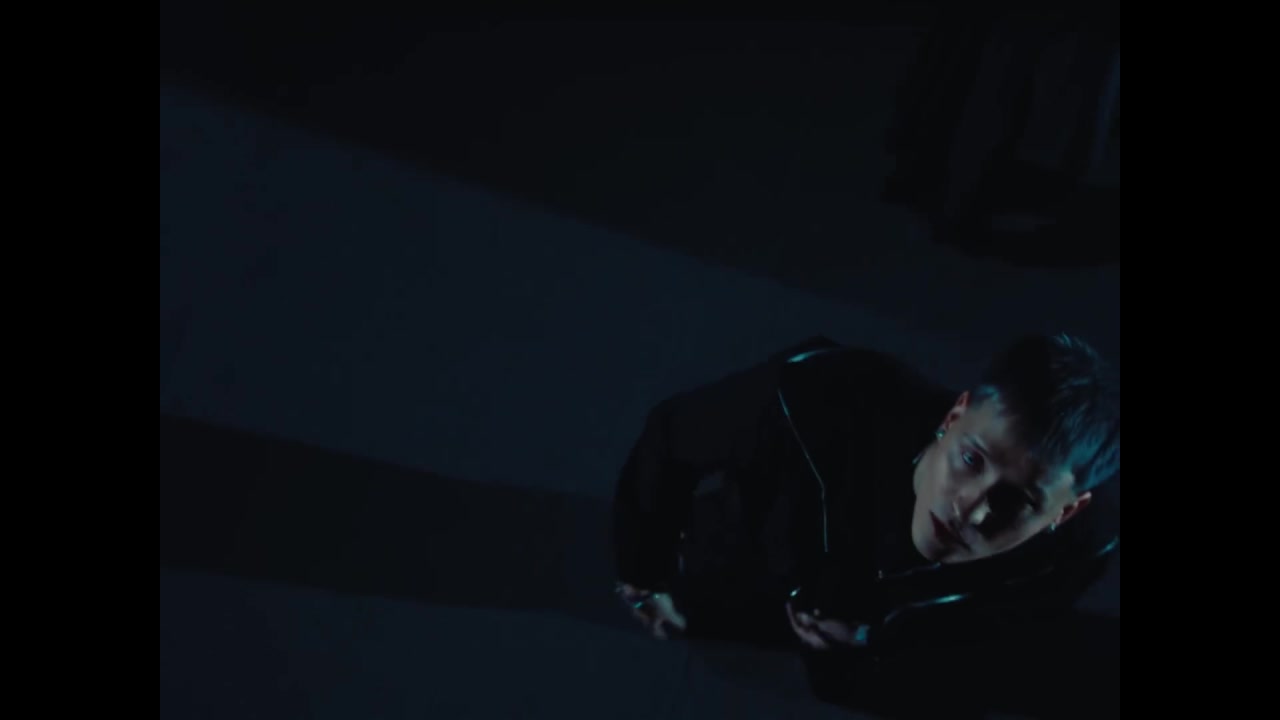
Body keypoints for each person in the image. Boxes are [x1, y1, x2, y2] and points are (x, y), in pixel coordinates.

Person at [610, 333, 1119, 710]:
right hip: (744, 559)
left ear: (1066, 512)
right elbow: (671, 439)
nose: (971, 509)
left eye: (1017, 500)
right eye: (971, 459)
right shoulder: (815, 399)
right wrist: (643, 572)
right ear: (953, 417)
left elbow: (997, 628)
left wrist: (874, 642)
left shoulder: (1080, 549)